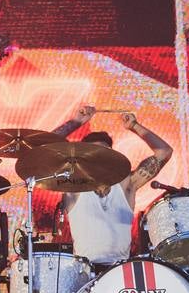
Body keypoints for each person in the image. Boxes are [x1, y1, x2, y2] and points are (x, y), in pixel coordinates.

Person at [50, 104, 173, 267]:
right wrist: (76, 122)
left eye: (105, 153)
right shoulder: (73, 186)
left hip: (121, 272)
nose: (100, 158)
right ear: (83, 159)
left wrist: (135, 127)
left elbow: (164, 152)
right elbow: (43, 149)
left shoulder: (126, 185)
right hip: (86, 272)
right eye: (94, 153)